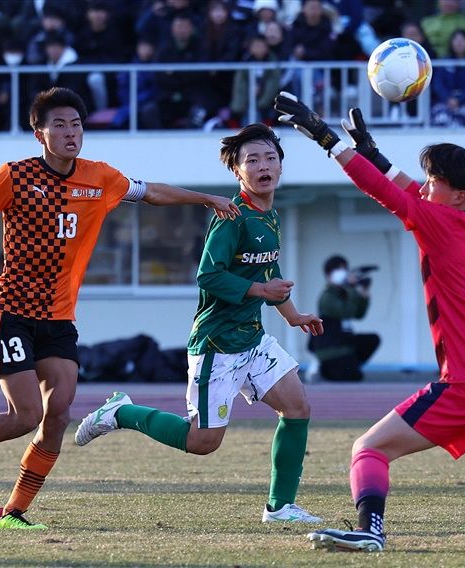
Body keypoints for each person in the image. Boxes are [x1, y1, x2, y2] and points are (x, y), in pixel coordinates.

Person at [0, 87, 240, 530]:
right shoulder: (14, 177)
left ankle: (14, 512)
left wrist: (206, 198)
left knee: (57, 414)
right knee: (25, 416)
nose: (70, 132)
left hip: (58, 319)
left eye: (76, 124)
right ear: (40, 133)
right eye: (59, 124)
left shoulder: (101, 178)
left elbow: (151, 192)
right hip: (14, 311)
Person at [273, 91, 465, 551]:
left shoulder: (440, 221)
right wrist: (375, 154)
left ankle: (370, 531)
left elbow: (386, 193)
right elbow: (412, 192)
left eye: (435, 180)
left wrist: (324, 136)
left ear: (458, 195)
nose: (425, 186)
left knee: (368, 449)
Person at [75, 123, 325, 525]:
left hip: (252, 339)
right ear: (237, 172)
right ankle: (122, 413)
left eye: (270, 158)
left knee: (297, 407)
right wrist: (261, 293)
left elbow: (268, 270)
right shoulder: (231, 217)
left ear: (281, 165)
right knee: (202, 442)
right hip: (217, 344)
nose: (263, 165)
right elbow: (208, 276)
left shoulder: (270, 216)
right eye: (252, 160)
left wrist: (293, 316)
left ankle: (280, 507)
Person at [308, 255, 379, 382]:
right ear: (330, 274)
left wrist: (363, 295)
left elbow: (358, 314)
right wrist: (351, 288)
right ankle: (323, 368)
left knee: (372, 340)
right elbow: (347, 311)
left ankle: (349, 365)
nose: (345, 273)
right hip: (330, 349)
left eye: (345, 269)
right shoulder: (327, 296)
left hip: (344, 343)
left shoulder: (343, 293)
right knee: (354, 377)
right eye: (340, 270)